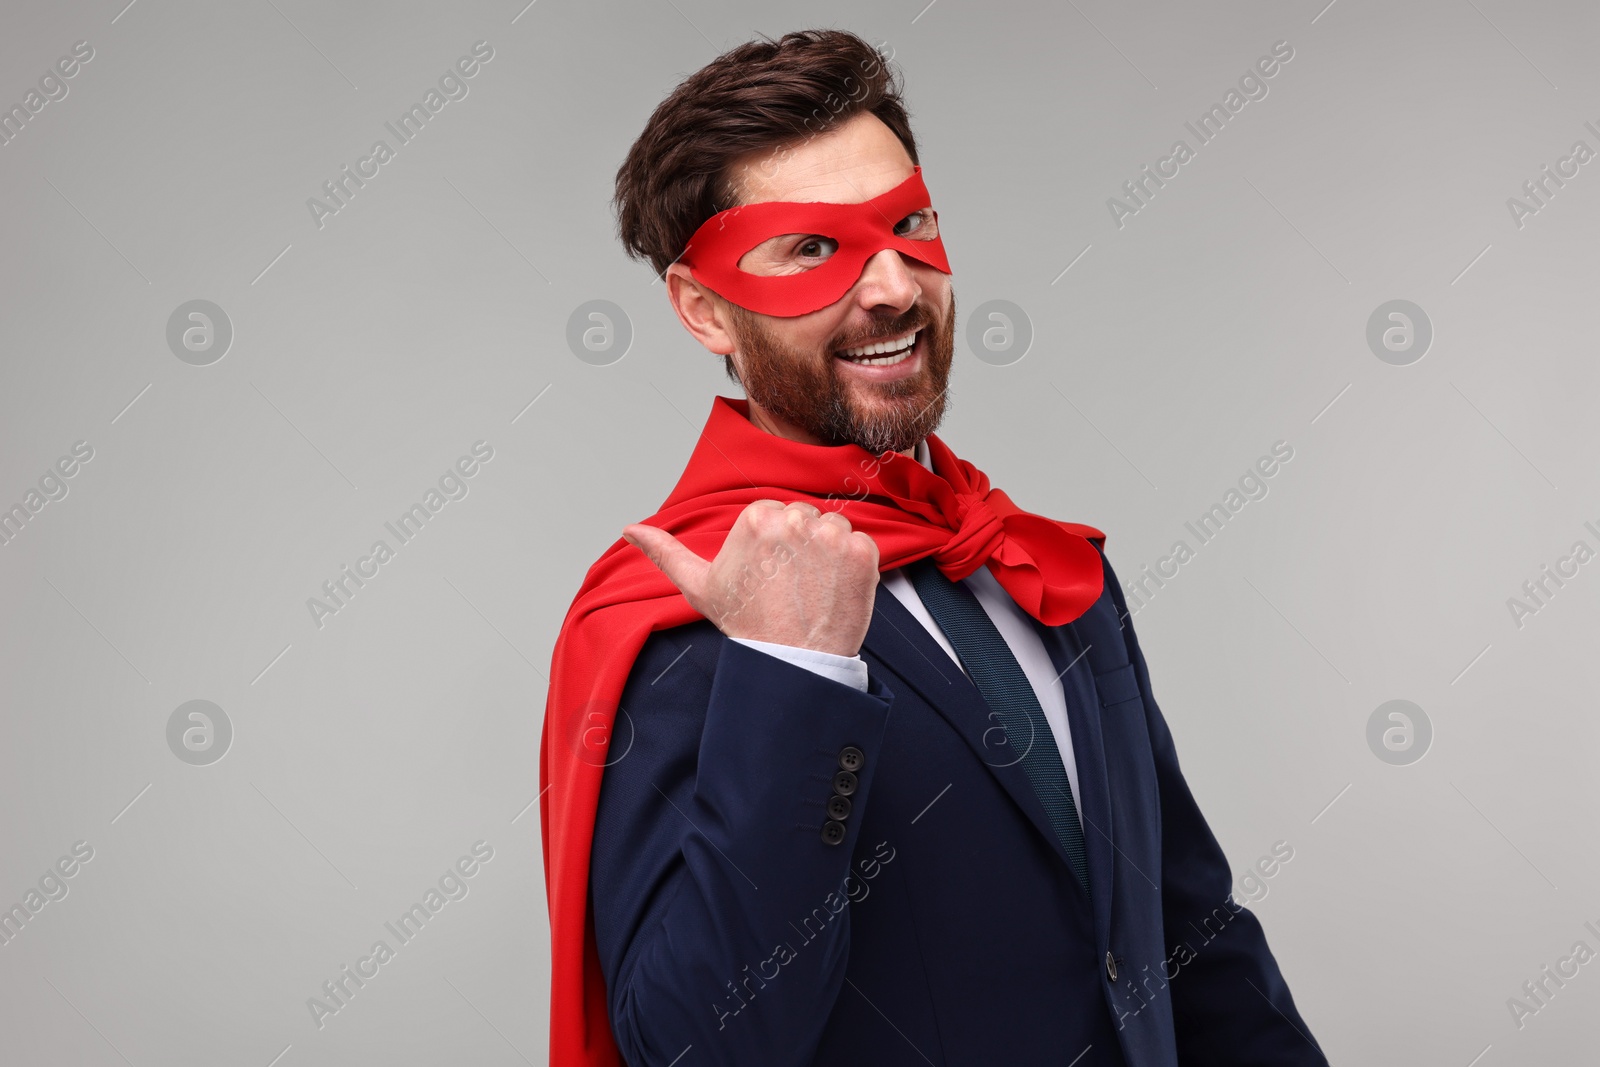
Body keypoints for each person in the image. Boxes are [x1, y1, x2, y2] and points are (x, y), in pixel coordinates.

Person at [539, 28, 1329, 1067]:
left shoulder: (1044, 569)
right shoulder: (677, 624)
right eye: (811, 249)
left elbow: (1189, 937)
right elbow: (696, 1046)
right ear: (703, 308)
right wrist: (792, 672)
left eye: (907, 225)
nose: (893, 286)